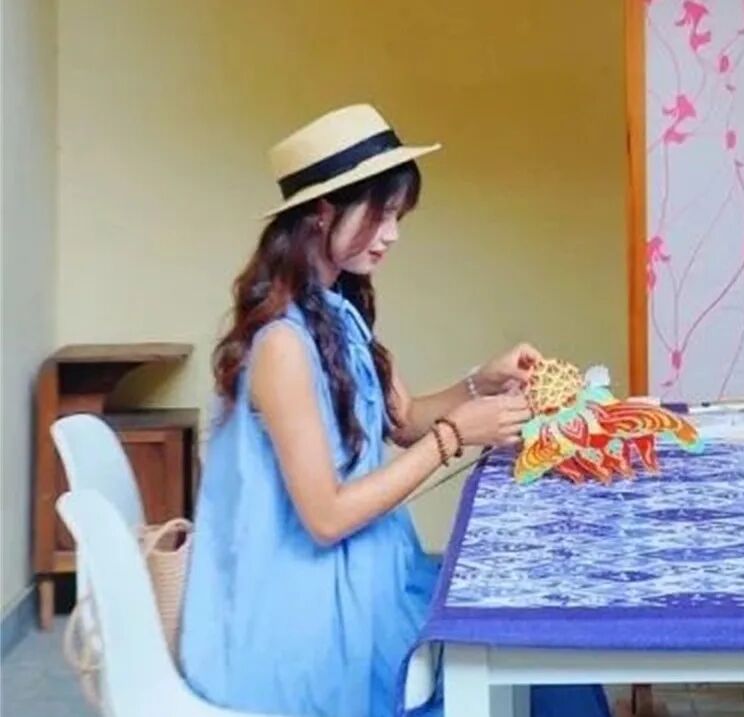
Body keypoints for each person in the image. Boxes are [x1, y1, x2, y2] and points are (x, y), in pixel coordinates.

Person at [178, 104, 610, 717]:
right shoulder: (282, 345)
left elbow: (403, 421)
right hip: (303, 617)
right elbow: (325, 516)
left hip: (366, 569)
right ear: (322, 212)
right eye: (380, 214)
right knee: (531, 657)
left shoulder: (338, 310)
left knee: (541, 644)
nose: (392, 234)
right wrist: (457, 435)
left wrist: (480, 383)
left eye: (397, 216)